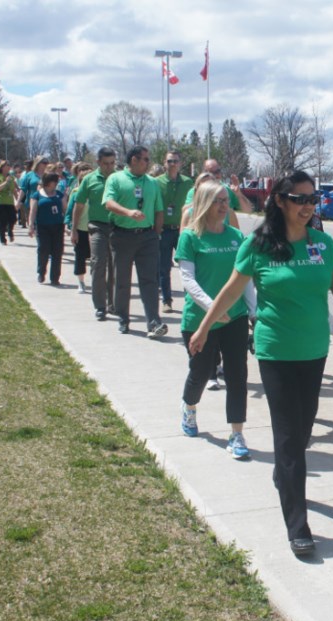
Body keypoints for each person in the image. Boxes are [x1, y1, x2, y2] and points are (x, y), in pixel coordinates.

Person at [189, 170, 333, 557]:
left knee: (301, 432)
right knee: (287, 438)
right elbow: (231, 291)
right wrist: (203, 328)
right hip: (276, 351)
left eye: (313, 199)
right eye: (300, 199)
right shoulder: (258, 245)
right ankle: (297, 525)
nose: (308, 206)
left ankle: (283, 471)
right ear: (280, 200)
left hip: (314, 350)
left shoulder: (322, 243)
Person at [176, 179, 252, 458]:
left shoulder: (236, 237)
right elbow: (188, 280)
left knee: (237, 376)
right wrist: (213, 310)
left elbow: (246, 280)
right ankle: (189, 406)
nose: (224, 206)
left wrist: (254, 310)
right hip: (200, 319)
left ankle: (237, 434)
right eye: (218, 201)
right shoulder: (190, 236)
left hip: (235, 318)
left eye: (226, 200)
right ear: (205, 203)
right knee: (200, 372)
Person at [103, 145, 168, 339]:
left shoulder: (152, 183)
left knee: (149, 281)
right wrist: (128, 212)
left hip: (147, 237)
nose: (148, 163)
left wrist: (157, 233)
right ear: (134, 160)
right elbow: (109, 203)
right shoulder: (116, 179)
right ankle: (123, 318)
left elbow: (159, 210)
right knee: (122, 280)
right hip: (122, 235)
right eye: (145, 159)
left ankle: (154, 322)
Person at [73, 147, 116, 320]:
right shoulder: (89, 180)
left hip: (116, 227)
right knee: (98, 264)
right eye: (105, 163)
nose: (109, 167)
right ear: (98, 162)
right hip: (97, 227)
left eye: (112, 163)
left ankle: (112, 303)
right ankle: (100, 306)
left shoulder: (118, 178)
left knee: (115, 267)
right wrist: (74, 229)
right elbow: (79, 205)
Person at [156, 151, 194, 313]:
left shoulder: (187, 183)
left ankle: (190, 300)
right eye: (170, 161)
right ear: (164, 163)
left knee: (186, 267)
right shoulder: (156, 182)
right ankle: (166, 300)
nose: (173, 164)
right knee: (164, 268)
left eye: (175, 161)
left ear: (180, 163)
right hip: (164, 230)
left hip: (182, 231)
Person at [29, 172, 66, 285]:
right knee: (43, 250)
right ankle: (41, 272)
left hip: (58, 227)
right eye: (55, 182)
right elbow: (33, 211)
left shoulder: (59, 195)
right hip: (42, 227)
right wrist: (31, 225)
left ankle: (55, 277)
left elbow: (65, 209)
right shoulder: (37, 195)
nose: (56, 184)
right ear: (49, 183)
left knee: (57, 252)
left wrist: (69, 223)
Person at [65, 162, 94, 294]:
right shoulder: (76, 192)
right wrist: (71, 227)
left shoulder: (98, 193)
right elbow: (70, 210)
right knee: (80, 257)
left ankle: (97, 281)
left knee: (96, 258)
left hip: (95, 230)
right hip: (81, 230)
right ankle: (81, 282)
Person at [0, 160, 18, 244]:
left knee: (13, 219)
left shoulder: (11, 177)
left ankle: (10, 231)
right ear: (2, 167)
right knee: (3, 220)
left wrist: (17, 200)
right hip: (1, 201)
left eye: (9, 166)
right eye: (6, 166)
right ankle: (2, 238)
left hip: (10, 202)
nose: (8, 167)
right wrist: (5, 182)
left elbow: (14, 190)